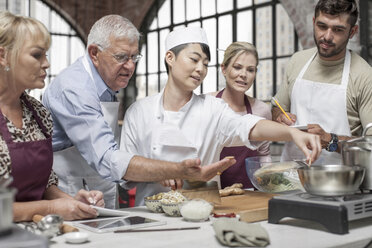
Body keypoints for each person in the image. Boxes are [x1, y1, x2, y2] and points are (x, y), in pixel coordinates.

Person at [42, 15, 235, 209]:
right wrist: (174, 170)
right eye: (121, 57)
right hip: (72, 193)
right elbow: (108, 158)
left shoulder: (105, 82)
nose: (130, 66)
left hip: (98, 189)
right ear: (94, 53)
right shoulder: (75, 88)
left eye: (134, 57)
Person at [120, 26, 321, 206]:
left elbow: (250, 126)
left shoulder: (214, 109)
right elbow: (125, 169)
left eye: (206, 64)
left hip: (203, 214)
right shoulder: (138, 112)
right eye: (194, 59)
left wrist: (292, 133)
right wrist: (165, 171)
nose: (201, 69)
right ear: (170, 58)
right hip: (150, 217)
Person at [0, 11, 104, 222]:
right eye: (37, 55)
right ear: (3, 56)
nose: (46, 63)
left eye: (46, 55)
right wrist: (51, 208)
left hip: (38, 235)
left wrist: (73, 203)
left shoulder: (39, 114)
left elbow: (46, 185)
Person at [272, 0, 372, 164]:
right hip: (289, 177)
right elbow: (277, 107)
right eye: (322, 26)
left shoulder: (364, 76)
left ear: (352, 31)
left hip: (340, 181)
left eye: (338, 30)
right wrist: (279, 116)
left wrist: (331, 141)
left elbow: (370, 145)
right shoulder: (298, 60)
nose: (327, 36)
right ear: (313, 22)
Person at [209, 42, 271, 189]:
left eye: (250, 70)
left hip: (250, 192)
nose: (243, 75)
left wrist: (268, 183)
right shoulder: (207, 104)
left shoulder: (261, 110)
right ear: (223, 69)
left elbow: (263, 154)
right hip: (212, 191)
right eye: (237, 67)